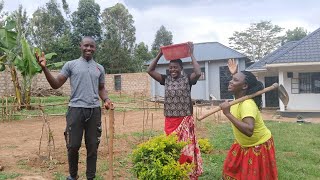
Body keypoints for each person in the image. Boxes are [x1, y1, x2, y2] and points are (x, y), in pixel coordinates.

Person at [35, 36, 112, 180]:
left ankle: (90, 177)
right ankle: (73, 175)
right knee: (72, 146)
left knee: (92, 147)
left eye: (91, 46)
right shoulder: (71, 65)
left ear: (95, 48)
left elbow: (101, 88)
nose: (89, 48)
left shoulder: (99, 68)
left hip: (94, 111)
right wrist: (45, 68)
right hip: (75, 110)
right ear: (80, 46)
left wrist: (106, 99)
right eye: (86, 46)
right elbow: (56, 84)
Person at [147, 42, 203, 179]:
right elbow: (150, 70)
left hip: (184, 119)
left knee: (185, 147)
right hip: (170, 120)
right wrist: (160, 53)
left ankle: (187, 172)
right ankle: (173, 170)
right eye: (171, 67)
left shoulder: (187, 79)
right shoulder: (165, 80)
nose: (173, 70)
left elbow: (198, 72)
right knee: (172, 147)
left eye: (176, 67)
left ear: (181, 68)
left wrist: (191, 54)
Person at [219, 59, 278, 180]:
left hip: (257, 145)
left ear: (244, 86)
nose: (230, 82)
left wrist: (228, 114)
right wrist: (234, 74)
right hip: (242, 144)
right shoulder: (238, 97)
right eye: (232, 79)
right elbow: (238, 84)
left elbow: (249, 130)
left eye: (235, 80)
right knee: (230, 170)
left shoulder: (247, 104)